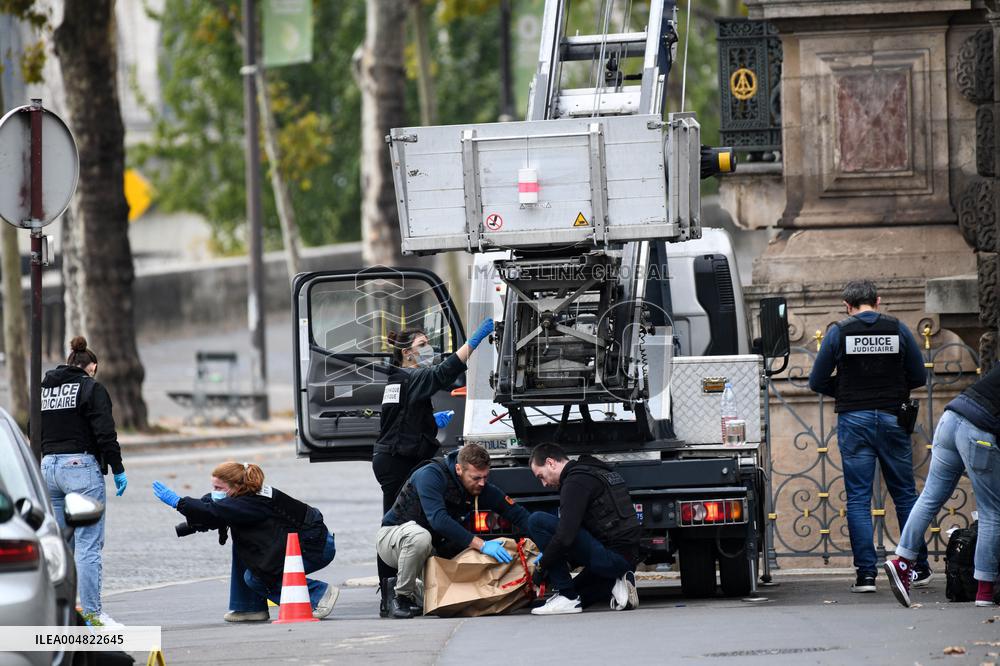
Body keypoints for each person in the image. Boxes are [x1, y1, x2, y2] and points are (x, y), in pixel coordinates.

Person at [808, 280, 930, 593]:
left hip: (854, 421)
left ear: (846, 305)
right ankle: (917, 568)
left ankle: (866, 576)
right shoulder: (898, 329)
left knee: (859, 500)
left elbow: (817, 379)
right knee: (904, 493)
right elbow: (918, 375)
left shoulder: (838, 331)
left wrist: (846, 391)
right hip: (892, 418)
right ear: (877, 301)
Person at [372, 318, 494, 614]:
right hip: (396, 460)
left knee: (407, 519)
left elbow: (398, 417)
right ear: (407, 353)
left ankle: (411, 586)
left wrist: (428, 424)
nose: (428, 349)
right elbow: (443, 373)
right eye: (422, 345)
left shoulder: (400, 378)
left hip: (397, 455)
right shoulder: (409, 376)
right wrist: (473, 343)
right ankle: (390, 595)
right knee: (396, 521)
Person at [151, 462, 339, 622]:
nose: (214, 492)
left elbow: (215, 511)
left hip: (315, 548)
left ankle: (319, 596)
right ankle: (249, 607)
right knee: (245, 550)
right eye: (213, 487)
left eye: (219, 488)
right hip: (311, 541)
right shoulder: (245, 495)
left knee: (257, 577)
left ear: (236, 486)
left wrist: (179, 502)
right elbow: (213, 508)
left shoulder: (249, 503)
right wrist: (190, 523)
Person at [884, 365, 1000, 608]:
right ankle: (985, 591)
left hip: (951, 419)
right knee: (992, 513)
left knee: (929, 498)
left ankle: (902, 562)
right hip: (978, 432)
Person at [376, 442, 531, 619]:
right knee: (420, 537)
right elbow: (439, 521)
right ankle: (401, 597)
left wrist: (545, 545)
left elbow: (517, 514)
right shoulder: (431, 475)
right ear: (459, 469)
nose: (482, 483)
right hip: (394, 538)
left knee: (451, 600)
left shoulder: (478, 486)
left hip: (429, 550)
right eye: (476, 478)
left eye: (485, 477)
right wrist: (482, 545)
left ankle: (398, 587)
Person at [39, 336, 127, 627]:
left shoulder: (45, 388)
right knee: (88, 544)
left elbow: (32, 428)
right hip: (80, 468)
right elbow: (105, 431)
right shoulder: (91, 388)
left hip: (47, 467)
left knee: (59, 546)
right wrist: (117, 468)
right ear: (92, 367)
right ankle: (92, 614)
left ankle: (59, 614)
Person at [526, 443, 641, 615]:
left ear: (551, 463)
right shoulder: (596, 470)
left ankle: (567, 596)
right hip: (627, 557)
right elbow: (590, 529)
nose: (543, 484)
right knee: (579, 596)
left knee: (537, 521)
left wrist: (541, 568)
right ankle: (618, 580)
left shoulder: (574, 483)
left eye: (541, 476)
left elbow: (566, 537)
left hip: (611, 557)